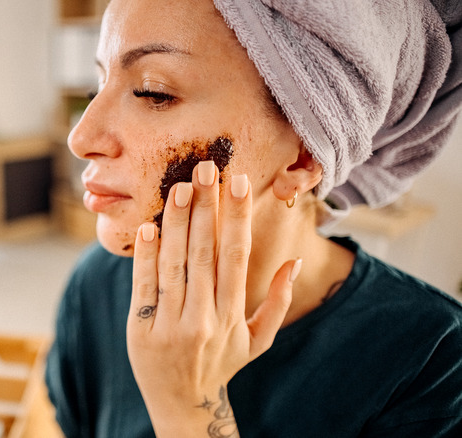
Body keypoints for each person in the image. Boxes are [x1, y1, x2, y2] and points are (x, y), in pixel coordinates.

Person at [45, 0, 462, 436]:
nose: (81, 138)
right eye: (100, 82)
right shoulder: (99, 283)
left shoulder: (433, 362)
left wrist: (189, 409)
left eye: (153, 92)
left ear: (300, 158)